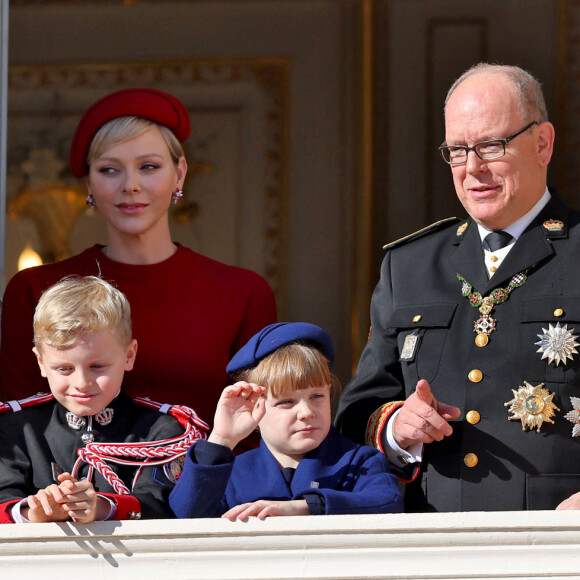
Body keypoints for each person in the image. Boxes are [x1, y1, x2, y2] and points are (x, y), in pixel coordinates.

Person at [336, 62, 580, 512]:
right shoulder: (408, 266)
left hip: (559, 541)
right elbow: (355, 416)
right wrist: (395, 429)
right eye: (457, 150)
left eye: (491, 145)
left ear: (542, 143)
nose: (472, 169)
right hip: (433, 541)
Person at [0, 87, 277, 427]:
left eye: (148, 166)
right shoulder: (35, 288)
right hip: (69, 479)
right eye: (109, 170)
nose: (130, 185)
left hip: (210, 476)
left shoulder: (242, 293)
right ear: (88, 182)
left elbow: (261, 429)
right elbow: (17, 426)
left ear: (179, 173)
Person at [0, 275, 208, 524]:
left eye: (97, 366)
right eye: (64, 369)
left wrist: (102, 507)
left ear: (129, 356)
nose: (82, 383)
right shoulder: (18, 428)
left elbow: (169, 504)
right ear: (41, 363)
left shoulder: (163, 430)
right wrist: (33, 511)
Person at [169, 322, 402, 519]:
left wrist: (304, 507)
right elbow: (188, 514)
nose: (306, 412)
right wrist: (221, 439)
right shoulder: (233, 472)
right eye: (287, 402)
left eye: (317, 396)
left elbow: (387, 502)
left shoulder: (359, 461)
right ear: (254, 407)